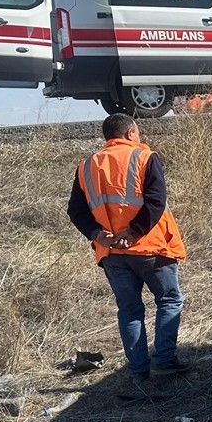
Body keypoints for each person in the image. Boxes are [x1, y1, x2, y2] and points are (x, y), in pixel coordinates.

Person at [67, 113, 189, 384]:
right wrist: (133, 233)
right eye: (138, 131)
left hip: (112, 253)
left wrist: (97, 234)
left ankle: (138, 372)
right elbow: (156, 201)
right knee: (169, 300)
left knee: (130, 310)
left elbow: (75, 210)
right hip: (150, 247)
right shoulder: (144, 157)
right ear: (130, 133)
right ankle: (165, 362)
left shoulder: (86, 166)